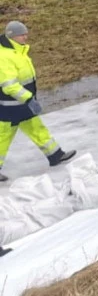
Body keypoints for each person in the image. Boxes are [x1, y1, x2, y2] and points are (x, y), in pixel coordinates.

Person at [0, 21, 75, 182]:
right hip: (10, 107)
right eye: (22, 34)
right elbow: (9, 86)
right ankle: (55, 155)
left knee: (37, 128)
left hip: (21, 104)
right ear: (12, 36)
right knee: (3, 136)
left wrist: (28, 100)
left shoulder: (18, 51)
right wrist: (28, 98)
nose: (26, 37)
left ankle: (55, 155)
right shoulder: (5, 56)